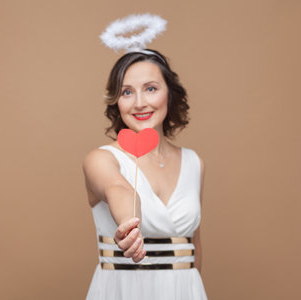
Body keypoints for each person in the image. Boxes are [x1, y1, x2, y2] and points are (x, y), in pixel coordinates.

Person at [83, 49, 208, 299]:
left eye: (150, 88)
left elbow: (193, 245)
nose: (139, 102)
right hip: (122, 291)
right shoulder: (100, 159)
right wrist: (130, 228)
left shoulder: (195, 163)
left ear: (169, 95)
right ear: (116, 102)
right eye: (127, 92)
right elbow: (120, 189)